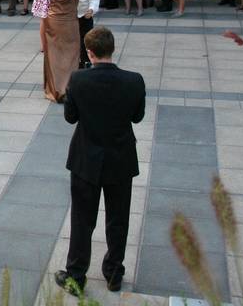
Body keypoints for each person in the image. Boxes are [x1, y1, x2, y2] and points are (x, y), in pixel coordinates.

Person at [54, 26, 146, 296]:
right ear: (112, 50)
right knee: (119, 218)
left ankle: (76, 274)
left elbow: (70, 117)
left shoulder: (79, 80)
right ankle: (114, 273)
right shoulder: (134, 80)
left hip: (86, 159)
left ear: (89, 53)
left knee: (83, 219)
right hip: (121, 158)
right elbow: (137, 117)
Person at [19, 0, 107, 103]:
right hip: (70, 26)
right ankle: (68, 88)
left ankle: (54, 89)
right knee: (71, 57)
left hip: (52, 25)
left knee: (53, 56)